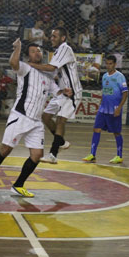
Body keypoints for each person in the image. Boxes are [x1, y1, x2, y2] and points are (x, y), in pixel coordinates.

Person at [0, 39, 72, 197]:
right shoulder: (25, 68)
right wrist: (17, 48)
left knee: (37, 155)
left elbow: (56, 91)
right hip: (20, 116)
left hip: (36, 121)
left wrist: (64, 92)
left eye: (39, 51)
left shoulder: (47, 74)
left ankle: (18, 185)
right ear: (28, 57)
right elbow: (13, 62)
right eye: (33, 51)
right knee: (5, 150)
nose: (37, 53)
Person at [27, 26, 83, 164]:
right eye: (51, 36)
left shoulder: (65, 48)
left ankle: (53, 154)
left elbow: (51, 68)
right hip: (64, 92)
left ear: (62, 38)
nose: (51, 38)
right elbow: (52, 71)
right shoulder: (59, 51)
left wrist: (31, 65)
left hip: (72, 92)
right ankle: (62, 142)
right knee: (45, 117)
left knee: (60, 120)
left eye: (54, 36)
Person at [82, 55, 128, 164]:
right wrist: (100, 104)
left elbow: (125, 93)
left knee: (116, 132)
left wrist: (119, 108)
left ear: (115, 64)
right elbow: (104, 92)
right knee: (96, 129)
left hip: (114, 110)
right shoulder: (104, 76)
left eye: (110, 63)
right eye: (106, 63)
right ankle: (92, 154)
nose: (108, 65)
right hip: (103, 109)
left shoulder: (120, 76)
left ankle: (119, 156)